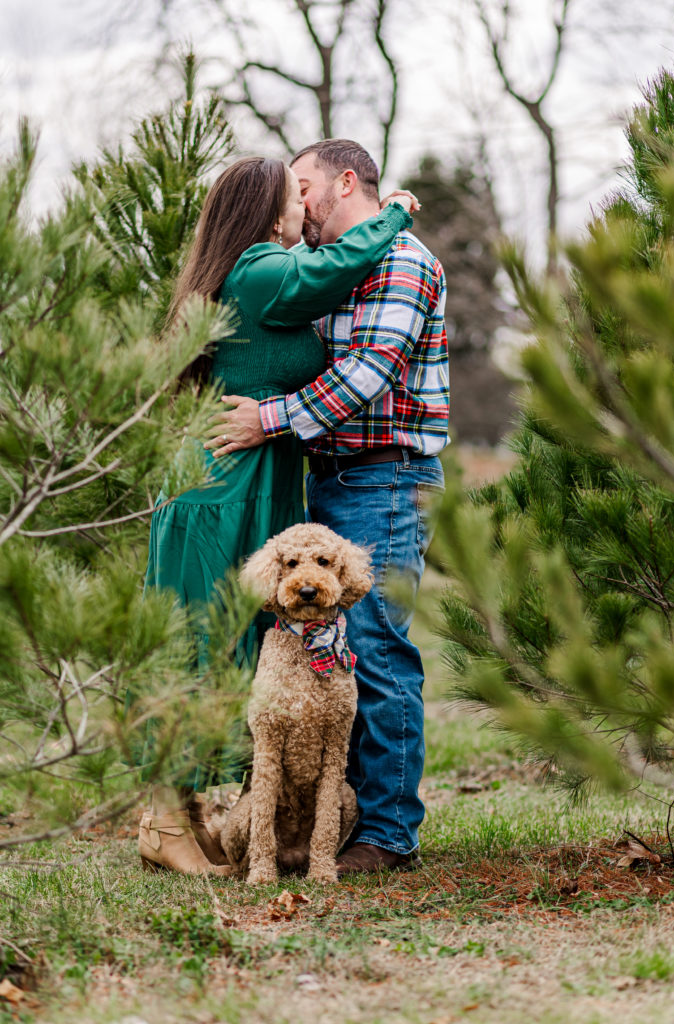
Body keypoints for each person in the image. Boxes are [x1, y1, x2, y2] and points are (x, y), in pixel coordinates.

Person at [137, 155, 417, 875]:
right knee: (199, 648)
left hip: (247, 485)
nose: (303, 202)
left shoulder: (251, 270)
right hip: (220, 492)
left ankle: (190, 816)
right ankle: (164, 824)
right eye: (292, 192)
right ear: (268, 209)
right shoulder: (262, 270)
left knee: (226, 649)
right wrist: (394, 212)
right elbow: (332, 273)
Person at [206, 139, 449, 875]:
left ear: (346, 182)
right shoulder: (334, 271)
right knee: (321, 652)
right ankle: (316, 824)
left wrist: (267, 418)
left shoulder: (403, 262)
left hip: (387, 475)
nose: (297, 203)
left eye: (303, 186)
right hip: (334, 476)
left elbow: (367, 374)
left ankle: (387, 834)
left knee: (375, 647)